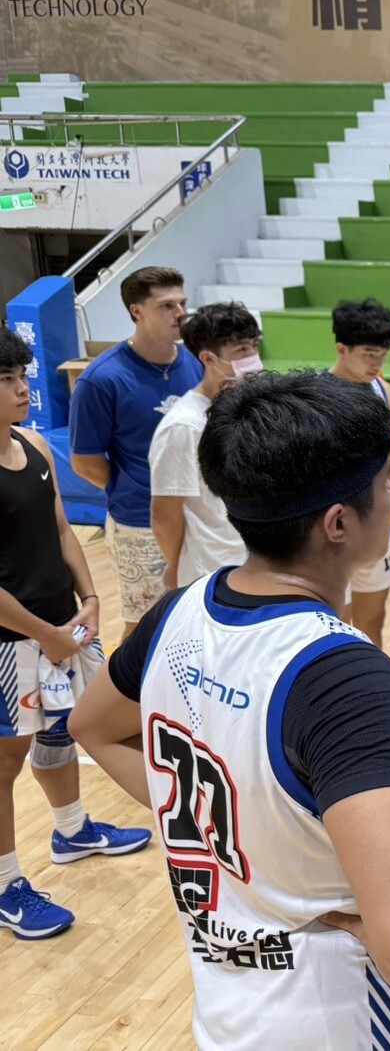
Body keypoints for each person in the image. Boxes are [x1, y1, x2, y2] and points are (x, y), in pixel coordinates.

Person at [70, 372, 390, 1048]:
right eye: (387, 479)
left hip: (228, 1017)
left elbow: (93, 727)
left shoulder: (179, 610)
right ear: (339, 521)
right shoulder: (345, 676)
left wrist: (221, 840)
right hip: (346, 1021)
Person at [0, 327, 151, 942]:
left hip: (61, 627)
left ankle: (72, 829)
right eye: (7, 381)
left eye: (22, 376)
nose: (22, 389)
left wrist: (89, 598)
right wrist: (45, 633)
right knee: (4, 764)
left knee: (64, 730)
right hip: (11, 643)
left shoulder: (33, 443)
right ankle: (6, 883)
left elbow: (63, 530)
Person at [69, 266, 203, 639]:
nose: (180, 313)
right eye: (166, 306)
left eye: (183, 303)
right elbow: (84, 462)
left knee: (193, 619)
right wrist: (133, 486)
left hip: (196, 515)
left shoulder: (194, 360)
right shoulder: (102, 379)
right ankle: (128, 697)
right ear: (136, 311)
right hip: (140, 525)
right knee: (145, 627)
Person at [149, 302, 261, 590]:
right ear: (209, 358)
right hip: (212, 570)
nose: (253, 358)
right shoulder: (184, 426)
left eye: (254, 346)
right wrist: (175, 567)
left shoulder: (252, 407)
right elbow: (165, 512)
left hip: (258, 561)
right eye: (241, 351)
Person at [328, 298, 390, 647]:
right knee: (333, 625)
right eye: (369, 354)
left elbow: (389, 459)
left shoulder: (382, 390)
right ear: (342, 348)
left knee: (374, 621)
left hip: (374, 524)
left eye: (383, 354)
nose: (378, 362)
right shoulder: (318, 397)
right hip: (334, 532)